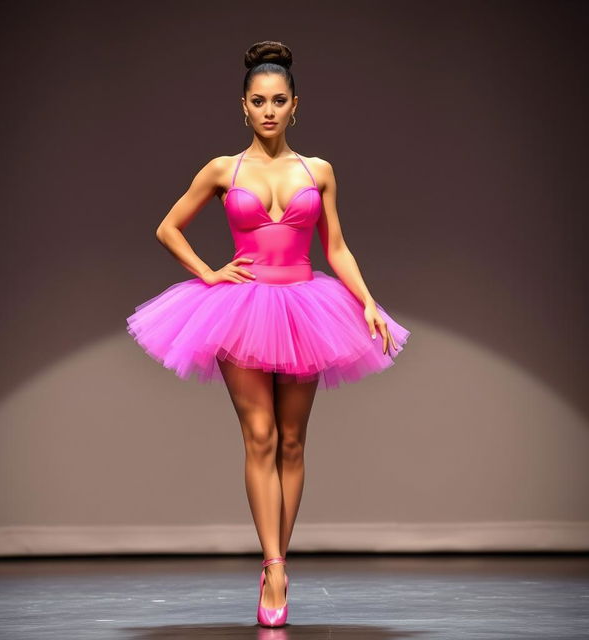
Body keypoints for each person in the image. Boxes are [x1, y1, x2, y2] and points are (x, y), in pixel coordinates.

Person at [126, 40, 411, 628]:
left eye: (279, 100)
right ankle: (274, 566)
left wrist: (368, 302)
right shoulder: (222, 170)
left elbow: (335, 247)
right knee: (258, 435)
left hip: (307, 303)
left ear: (295, 105)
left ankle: (279, 559)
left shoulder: (318, 171)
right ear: (244, 106)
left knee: (291, 440)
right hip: (241, 307)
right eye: (259, 101)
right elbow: (167, 227)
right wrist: (208, 273)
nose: (269, 111)